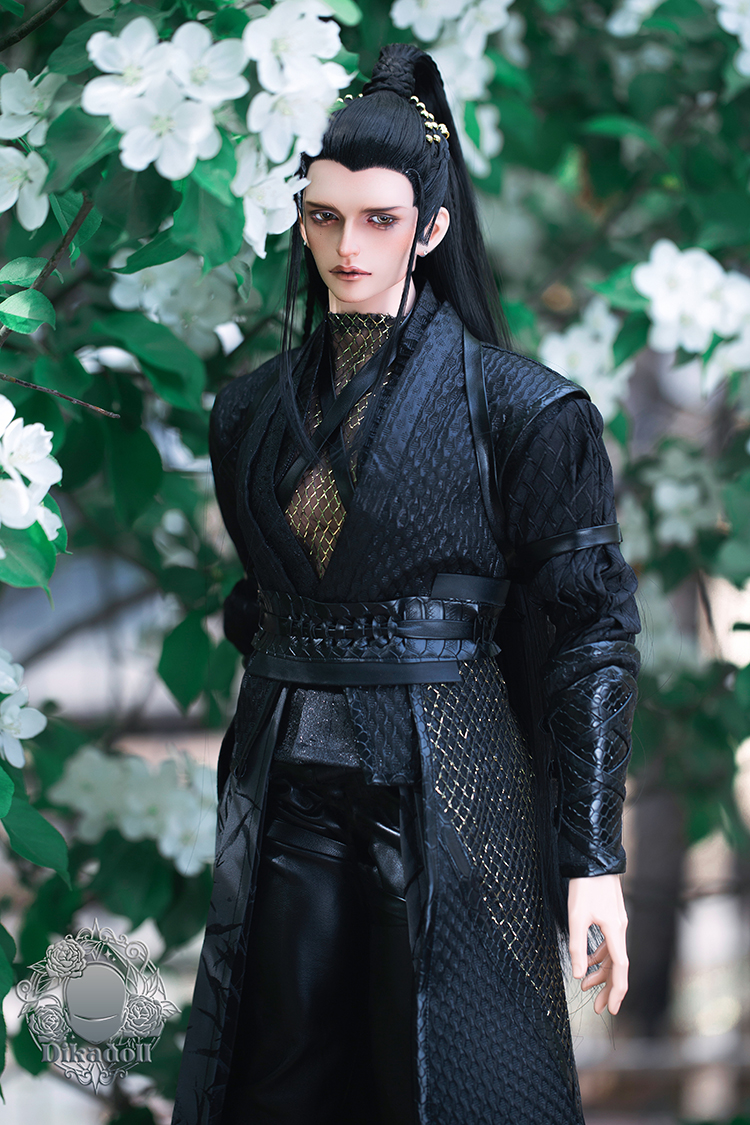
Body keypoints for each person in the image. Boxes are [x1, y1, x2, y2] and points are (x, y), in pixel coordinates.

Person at [172, 42, 640, 1125]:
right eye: (324, 216)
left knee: (450, 1077)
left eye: (379, 219)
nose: (348, 247)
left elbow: (590, 630)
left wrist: (593, 857)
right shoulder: (248, 413)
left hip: (452, 779)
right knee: (274, 1080)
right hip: (285, 785)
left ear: (430, 227)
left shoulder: (524, 410)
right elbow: (260, 603)